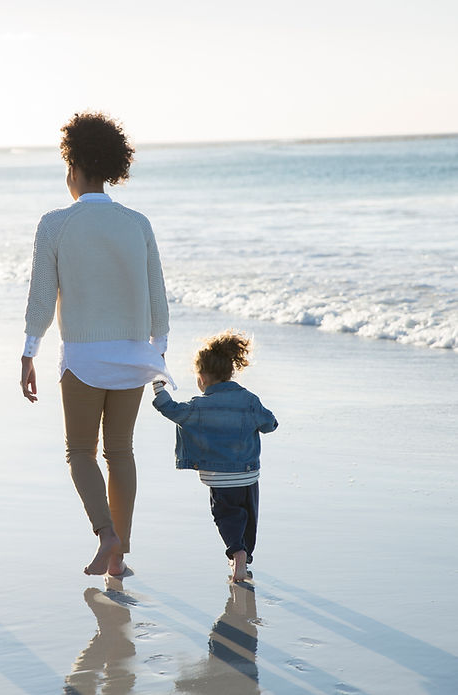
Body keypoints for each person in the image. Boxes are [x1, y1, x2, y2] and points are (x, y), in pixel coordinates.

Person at [21, 111, 172, 576]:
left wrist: (30, 351)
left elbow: (42, 296)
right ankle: (119, 557)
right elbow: (158, 295)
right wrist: (158, 352)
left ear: (74, 167)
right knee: (120, 451)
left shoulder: (55, 223)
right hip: (134, 357)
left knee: (81, 453)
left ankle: (105, 534)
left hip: (85, 356)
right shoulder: (137, 223)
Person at [151, 331, 278, 581]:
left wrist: (158, 385)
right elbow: (270, 424)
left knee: (226, 515)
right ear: (230, 372)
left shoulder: (197, 406)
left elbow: (171, 409)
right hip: (247, 473)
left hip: (218, 478)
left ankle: (237, 553)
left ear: (202, 377)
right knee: (249, 515)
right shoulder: (249, 400)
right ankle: (245, 554)